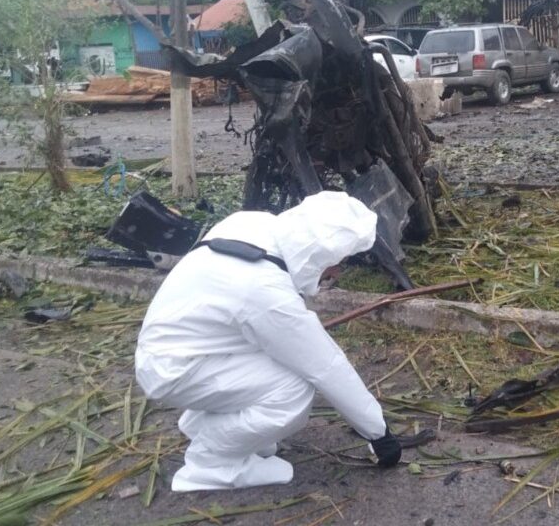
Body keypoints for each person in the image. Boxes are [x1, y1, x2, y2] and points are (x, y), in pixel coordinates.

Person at [134, 191, 401, 492]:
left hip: (180, 349)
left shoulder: (254, 224)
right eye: (339, 261)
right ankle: (212, 463)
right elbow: (324, 365)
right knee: (293, 390)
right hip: (174, 369)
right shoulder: (264, 290)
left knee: (279, 363)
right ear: (317, 254)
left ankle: (210, 429)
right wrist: (379, 433)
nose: (338, 271)